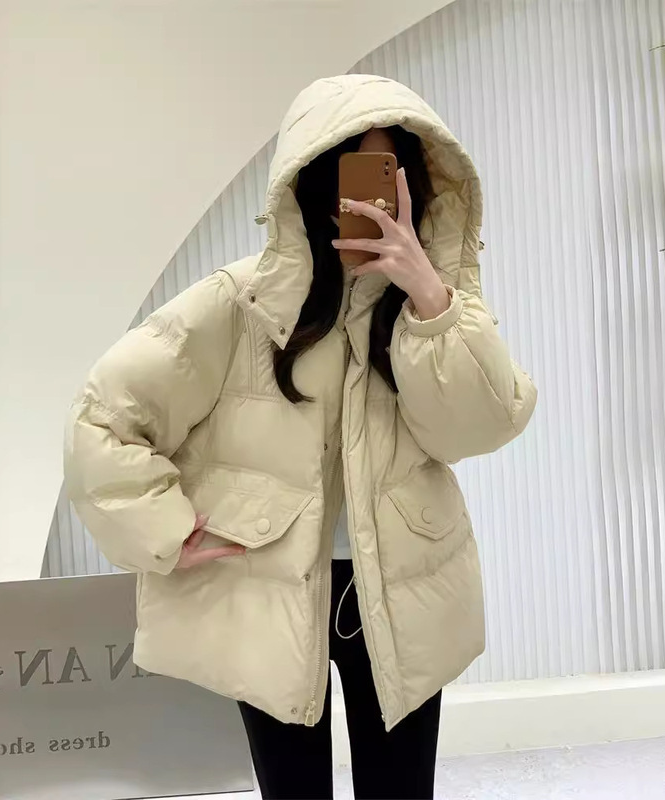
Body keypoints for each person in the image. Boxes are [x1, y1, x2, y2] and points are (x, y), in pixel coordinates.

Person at [64, 74, 537, 800]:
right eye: (353, 177)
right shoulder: (239, 303)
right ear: (311, 185)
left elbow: (483, 424)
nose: (372, 201)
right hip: (268, 590)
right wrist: (164, 527)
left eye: (390, 177)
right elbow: (104, 417)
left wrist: (430, 295)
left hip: (403, 588)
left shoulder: (438, 307)